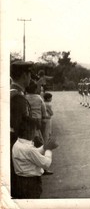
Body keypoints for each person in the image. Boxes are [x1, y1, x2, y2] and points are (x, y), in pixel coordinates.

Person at [10, 60, 38, 198]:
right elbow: (18, 131)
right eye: (29, 75)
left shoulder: (13, 94)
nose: (31, 79)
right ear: (24, 76)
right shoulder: (17, 98)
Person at [12, 123, 59, 198]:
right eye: (34, 131)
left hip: (20, 180)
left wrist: (44, 147)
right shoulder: (29, 149)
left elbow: (32, 155)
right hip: (31, 183)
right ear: (28, 132)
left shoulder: (17, 144)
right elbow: (46, 163)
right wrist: (49, 149)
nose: (35, 134)